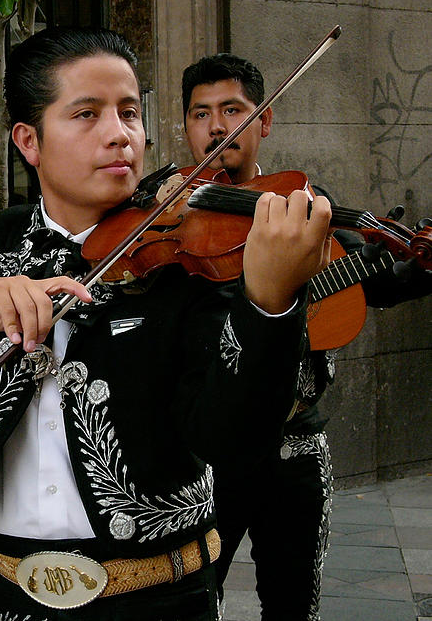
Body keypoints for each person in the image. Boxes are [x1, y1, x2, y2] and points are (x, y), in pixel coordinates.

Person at [0, 26, 332, 620]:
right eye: (87, 114)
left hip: (160, 598)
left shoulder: (186, 265)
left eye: (130, 113)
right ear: (29, 141)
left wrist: (269, 304)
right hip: (5, 594)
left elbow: (230, 439)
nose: (120, 135)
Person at [181, 52, 431, 621]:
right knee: (194, 603)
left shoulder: (305, 212)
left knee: (295, 606)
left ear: (264, 120)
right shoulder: (167, 220)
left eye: (233, 111)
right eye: (201, 114)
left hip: (295, 450)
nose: (217, 127)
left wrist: (417, 260)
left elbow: (378, 278)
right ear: (186, 126)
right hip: (204, 459)